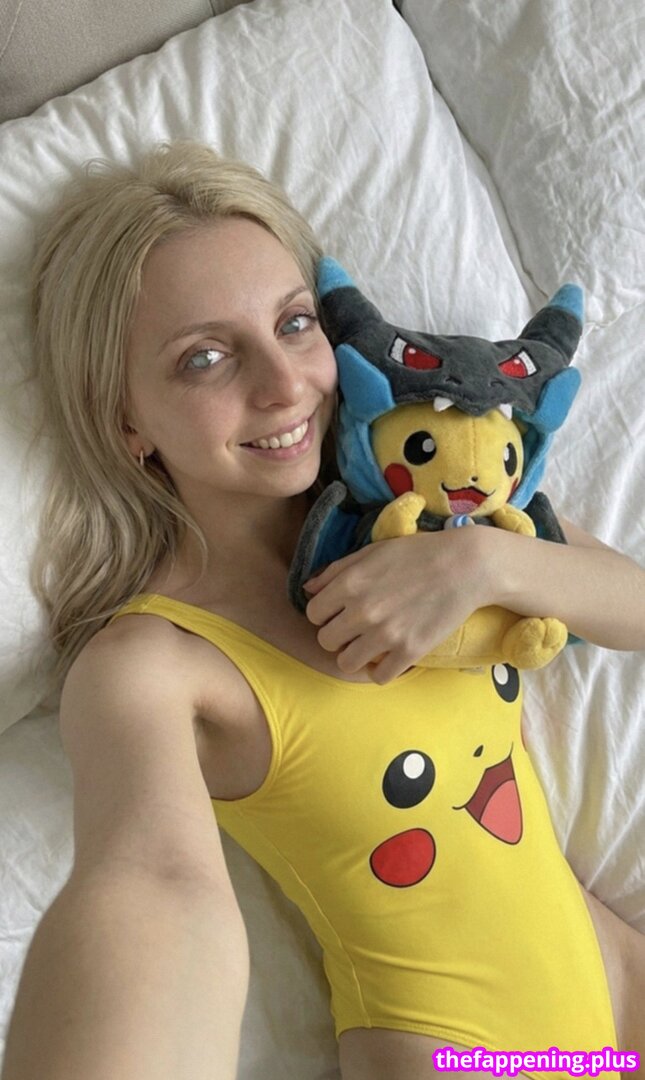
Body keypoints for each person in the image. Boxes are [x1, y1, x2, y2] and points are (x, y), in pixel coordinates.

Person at [2, 141, 644, 1080]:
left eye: (294, 323)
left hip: (622, 990)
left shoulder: (438, 503)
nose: (284, 384)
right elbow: (155, 885)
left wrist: (480, 562)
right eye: (204, 358)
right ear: (124, 420)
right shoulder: (153, 663)